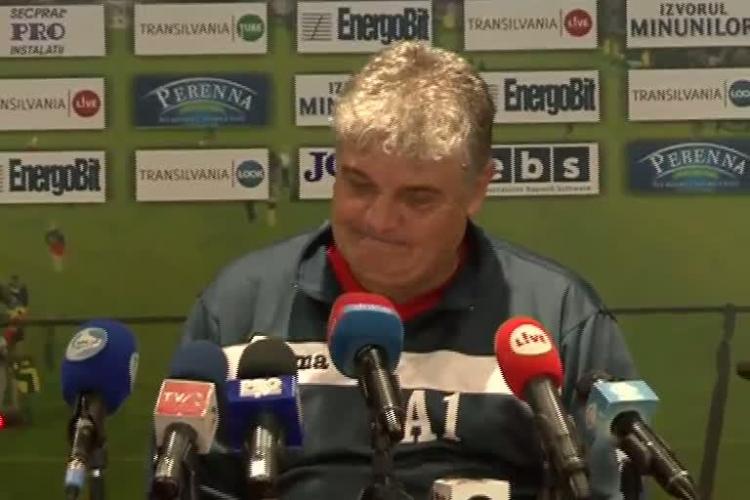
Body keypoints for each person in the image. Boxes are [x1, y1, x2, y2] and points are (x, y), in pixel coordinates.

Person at [176, 41, 637, 500]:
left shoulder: (558, 317)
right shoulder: (240, 307)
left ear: (477, 189)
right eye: (359, 185)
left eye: (417, 198)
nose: (379, 221)